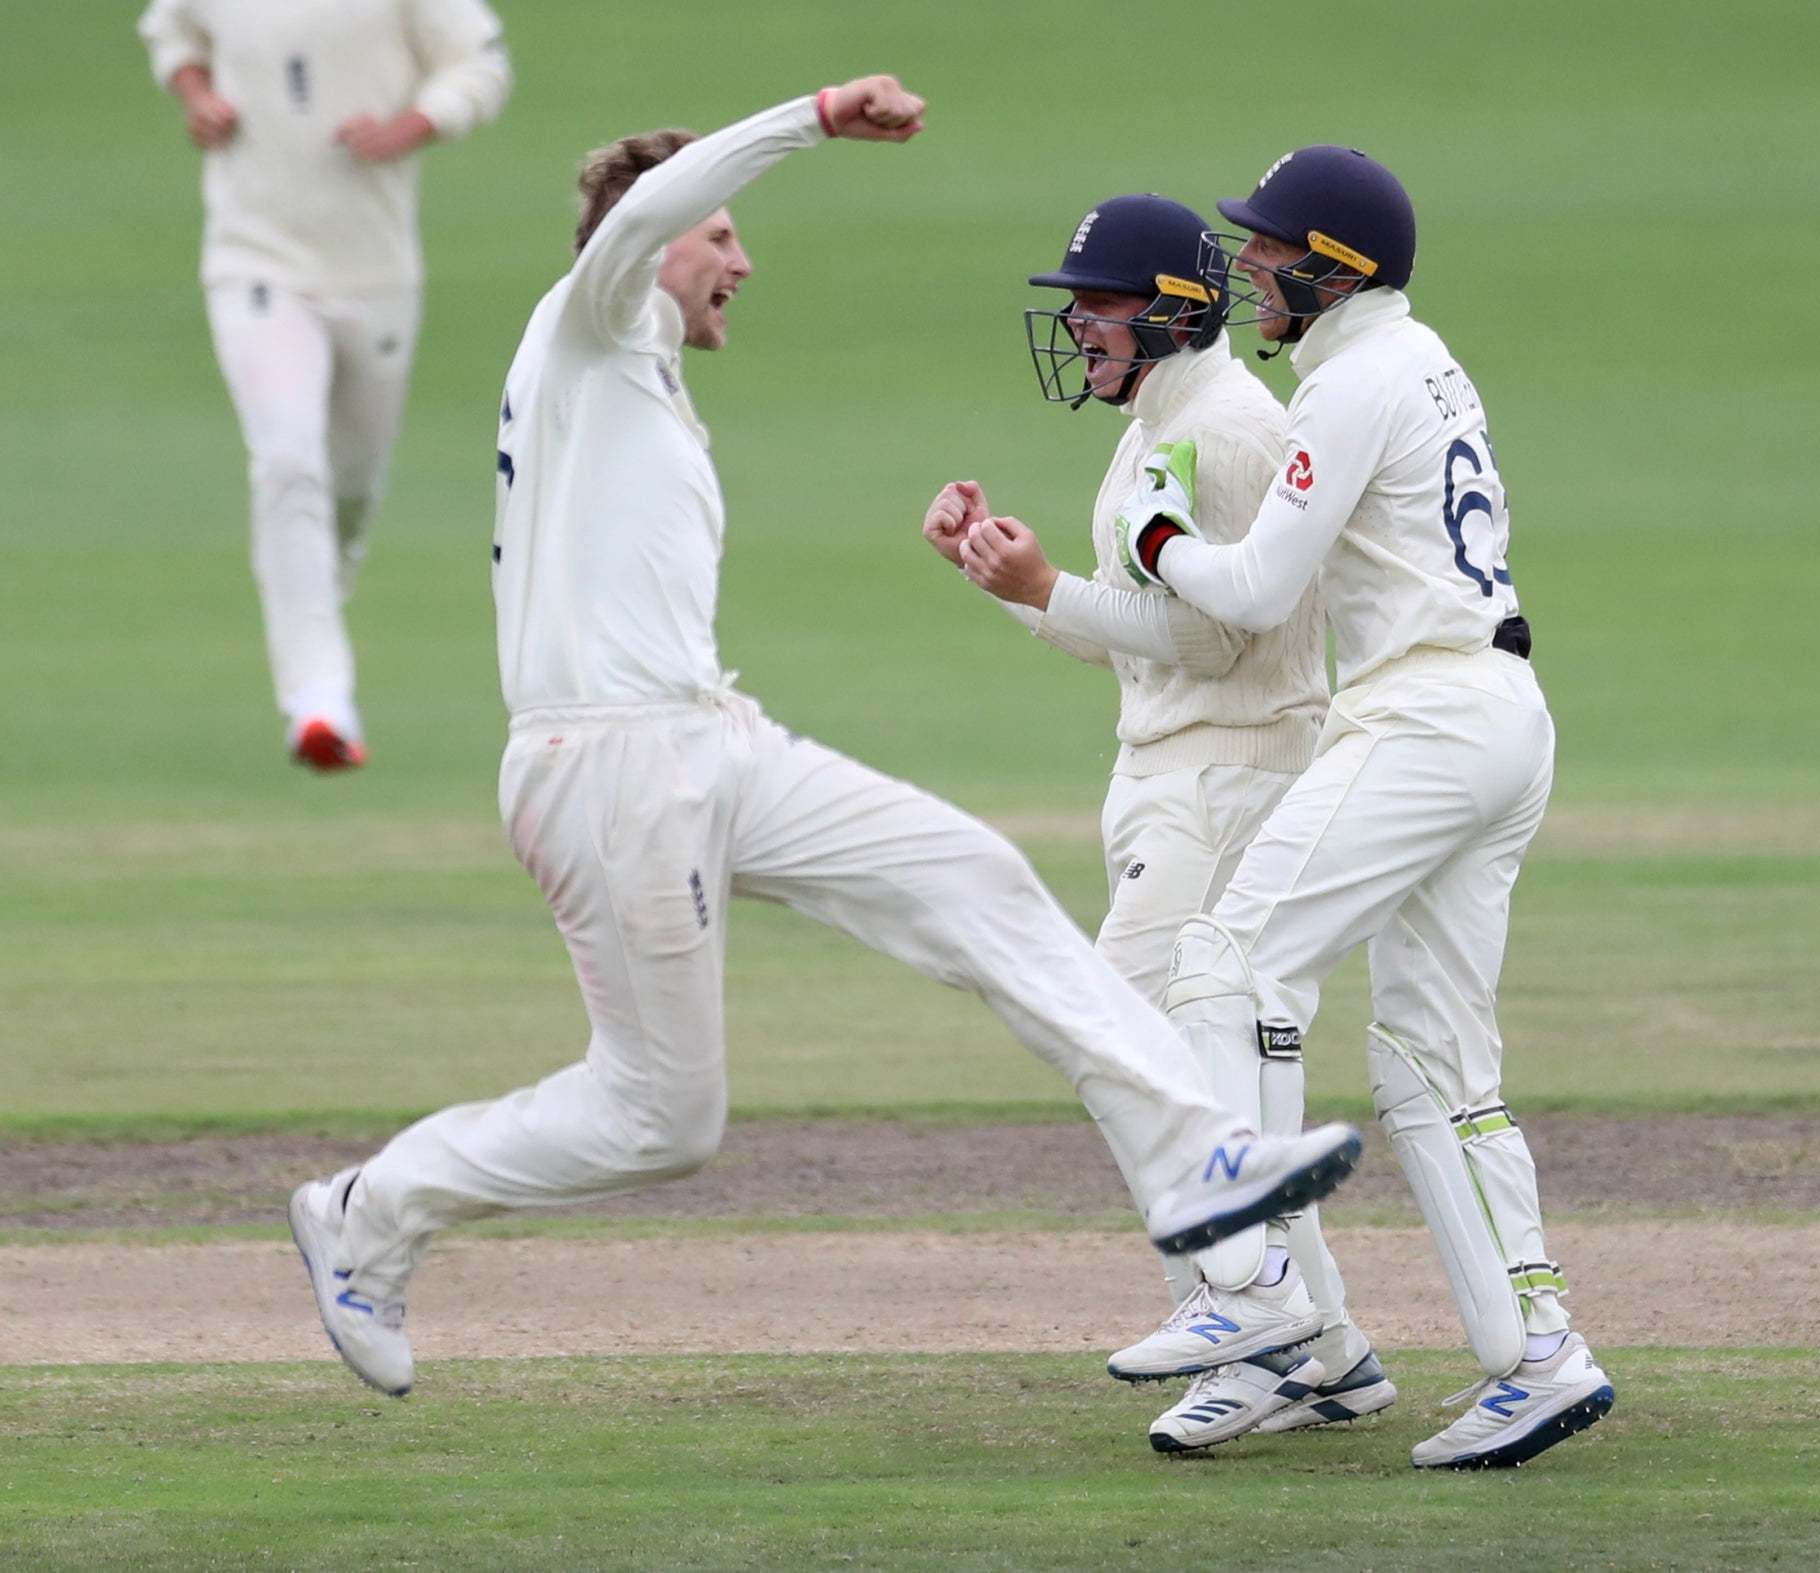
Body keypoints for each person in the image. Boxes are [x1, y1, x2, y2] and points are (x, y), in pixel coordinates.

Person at [285, 79, 1362, 1399]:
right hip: (608, 769)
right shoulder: (588, 319)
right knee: (661, 1118)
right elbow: (656, 206)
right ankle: (369, 1212)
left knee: (976, 876)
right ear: (644, 238)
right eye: (719, 235)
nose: (740, 258)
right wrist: (816, 116)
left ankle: (1199, 1161)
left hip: (707, 739)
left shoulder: (634, 371)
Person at [1108, 144, 1614, 1469]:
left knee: (1227, 964)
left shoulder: (1350, 380)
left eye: (1271, 249)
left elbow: (1259, 589)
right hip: (1503, 716)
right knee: (1431, 1062)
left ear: (1335, 271)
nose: (1250, 268)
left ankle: (1254, 1285)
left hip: (1424, 716)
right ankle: (1539, 1353)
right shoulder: (1424, 358)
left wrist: (1161, 543)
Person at [924, 194, 1391, 1454]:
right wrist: (1005, 583)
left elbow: (1222, 639)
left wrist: (1048, 585)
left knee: (1130, 1042)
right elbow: (1137, 649)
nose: (1079, 325)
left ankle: (1256, 1319)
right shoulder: (1160, 424)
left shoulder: (1228, 430)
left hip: (1234, 775)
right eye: (1075, 305)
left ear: (1177, 311)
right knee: (1183, 1072)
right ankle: (1323, 1352)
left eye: (1101, 304)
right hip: (1176, 773)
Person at [138, 0, 512, 769]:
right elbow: (171, 31)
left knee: (348, 486)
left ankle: (314, 597)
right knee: (286, 463)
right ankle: (319, 702)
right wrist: (197, 95)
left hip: (374, 273)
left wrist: (410, 126)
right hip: (254, 258)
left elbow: (481, 66)